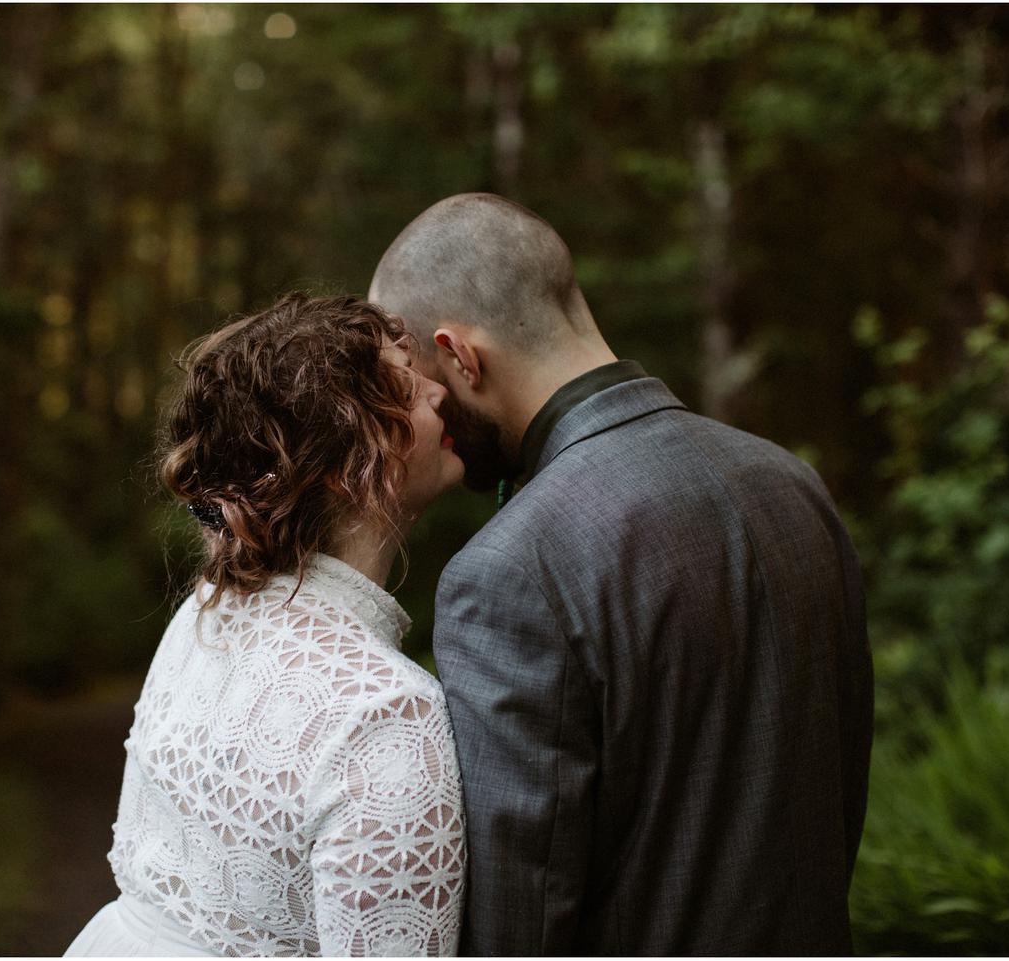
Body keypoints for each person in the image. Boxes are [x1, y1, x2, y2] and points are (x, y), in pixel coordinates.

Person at [368, 193, 874, 955]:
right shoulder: (791, 483)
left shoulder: (508, 573)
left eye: (418, 379)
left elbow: (515, 925)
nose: (423, 408)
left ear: (461, 355)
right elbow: (840, 797)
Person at [66, 293, 467, 957]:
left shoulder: (206, 612)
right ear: (347, 470)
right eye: (408, 387)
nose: (439, 392)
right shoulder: (388, 712)